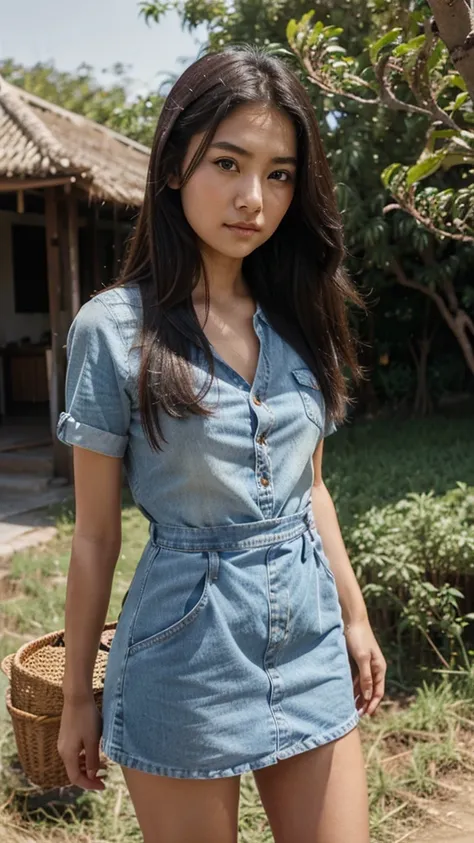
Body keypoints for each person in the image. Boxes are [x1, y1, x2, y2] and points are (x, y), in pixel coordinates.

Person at [56, 46, 386, 843]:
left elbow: (311, 489)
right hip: (184, 653)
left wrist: (355, 615)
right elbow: (96, 535)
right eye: (229, 163)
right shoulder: (114, 331)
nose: (254, 199)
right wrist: (77, 698)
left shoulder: (300, 310)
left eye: (279, 174)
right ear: (174, 166)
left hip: (307, 639)